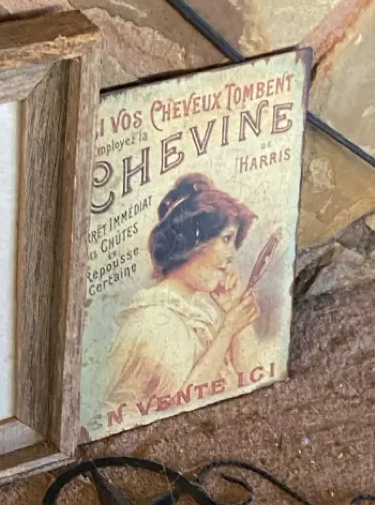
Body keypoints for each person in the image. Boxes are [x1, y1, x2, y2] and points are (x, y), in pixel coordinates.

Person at [105, 173, 260, 410]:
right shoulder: (153, 321)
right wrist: (227, 331)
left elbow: (252, 381)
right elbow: (181, 408)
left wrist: (235, 314)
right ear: (193, 243)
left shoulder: (204, 313)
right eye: (226, 239)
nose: (232, 254)